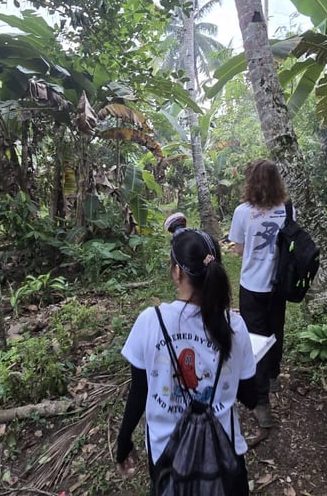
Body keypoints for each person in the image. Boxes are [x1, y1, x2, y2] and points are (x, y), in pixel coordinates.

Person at [115, 229, 258, 493]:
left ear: (178, 272)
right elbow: (251, 397)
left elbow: (139, 391)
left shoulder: (150, 321)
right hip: (225, 456)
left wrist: (124, 442)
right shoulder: (234, 326)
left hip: (167, 457)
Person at [228, 158, 290, 429]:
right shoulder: (286, 208)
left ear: (250, 181)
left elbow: (240, 248)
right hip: (279, 285)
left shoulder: (242, 211)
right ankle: (274, 376)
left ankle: (262, 403)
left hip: (252, 286)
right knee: (276, 329)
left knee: (257, 340)